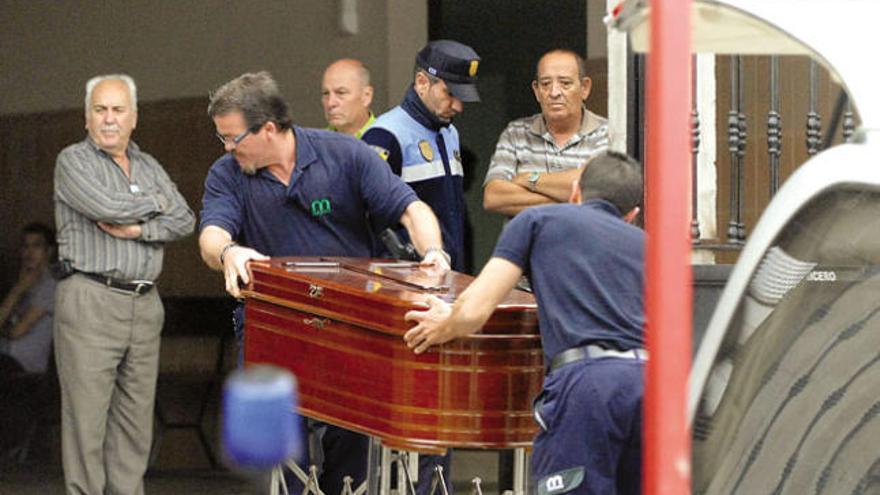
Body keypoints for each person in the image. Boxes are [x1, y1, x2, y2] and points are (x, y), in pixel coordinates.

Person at [198, 71, 450, 495]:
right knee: (276, 457)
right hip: (273, 324)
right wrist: (230, 253)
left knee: (352, 445)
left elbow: (411, 210)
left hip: (347, 323)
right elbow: (211, 236)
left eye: (233, 138)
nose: (227, 148)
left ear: (269, 129)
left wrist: (434, 255)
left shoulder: (346, 154)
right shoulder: (227, 173)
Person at [405, 151, 646, 495]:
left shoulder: (537, 221)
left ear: (576, 191)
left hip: (586, 388)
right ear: (632, 215)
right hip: (653, 389)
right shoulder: (652, 246)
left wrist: (443, 324)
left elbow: (476, 307)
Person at [53, 74, 195, 495]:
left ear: (134, 117)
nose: (109, 119)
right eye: (100, 110)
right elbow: (108, 207)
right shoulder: (73, 161)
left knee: (134, 425)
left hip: (145, 302)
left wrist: (139, 231)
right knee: (87, 425)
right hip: (90, 299)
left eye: (118, 110)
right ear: (86, 117)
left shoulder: (149, 164)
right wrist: (157, 203)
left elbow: (185, 218)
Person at [363, 39, 481, 273]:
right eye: (450, 94)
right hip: (405, 280)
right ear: (422, 83)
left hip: (448, 274)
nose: (458, 106)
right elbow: (370, 219)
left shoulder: (450, 132)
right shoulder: (384, 135)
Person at [483, 49, 608, 217]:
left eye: (565, 83)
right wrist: (572, 199)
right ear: (536, 91)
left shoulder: (607, 133)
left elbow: (595, 188)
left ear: (584, 88)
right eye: (546, 84)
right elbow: (493, 197)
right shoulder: (516, 134)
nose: (554, 93)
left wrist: (529, 178)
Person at [0, 222, 57, 459]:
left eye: (37, 246)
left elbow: (16, 331)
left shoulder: (49, 285)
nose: (29, 253)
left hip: (25, 368)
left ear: (49, 252)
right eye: (25, 246)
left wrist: (17, 293)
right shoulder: (24, 285)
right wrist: (18, 290)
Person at [321, 58, 376, 138]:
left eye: (341, 93)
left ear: (366, 96)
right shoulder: (314, 144)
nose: (330, 103)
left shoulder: (390, 142)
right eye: (326, 93)